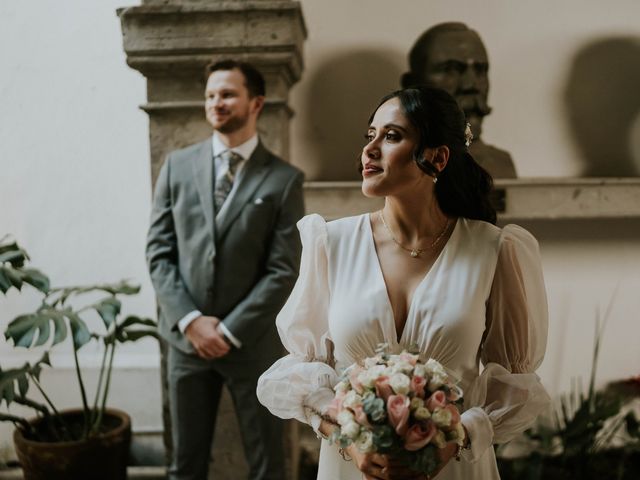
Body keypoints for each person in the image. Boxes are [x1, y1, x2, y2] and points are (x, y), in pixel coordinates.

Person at [257, 86, 549, 479]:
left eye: (391, 136)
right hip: (352, 469)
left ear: (438, 157)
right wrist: (349, 440)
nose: (370, 149)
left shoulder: (495, 250)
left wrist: (456, 437)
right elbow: (307, 378)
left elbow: (513, 387)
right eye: (370, 135)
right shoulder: (331, 243)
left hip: (453, 469)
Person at [146, 59, 305, 480]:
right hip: (186, 342)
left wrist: (230, 330)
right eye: (211, 95)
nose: (217, 102)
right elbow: (159, 252)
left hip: (251, 344)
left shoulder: (284, 179)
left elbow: (283, 268)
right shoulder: (177, 166)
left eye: (228, 94)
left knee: (268, 465)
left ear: (256, 103)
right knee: (184, 466)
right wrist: (191, 321)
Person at [401, 22, 517, 178]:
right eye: (451, 69)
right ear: (411, 86)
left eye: (480, 70)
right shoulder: (393, 164)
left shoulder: (501, 163)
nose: (471, 85)